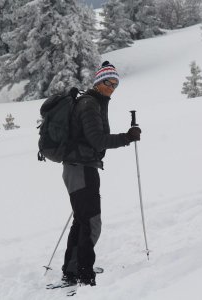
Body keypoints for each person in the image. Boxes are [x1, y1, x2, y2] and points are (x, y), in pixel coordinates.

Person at [61, 61, 141, 287]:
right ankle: (85, 275)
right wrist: (127, 137)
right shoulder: (89, 105)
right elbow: (97, 140)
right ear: (98, 81)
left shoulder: (94, 102)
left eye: (116, 84)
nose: (112, 87)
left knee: (82, 220)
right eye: (108, 82)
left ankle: (73, 270)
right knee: (91, 222)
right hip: (81, 168)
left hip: (81, 167)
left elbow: (92, 140)